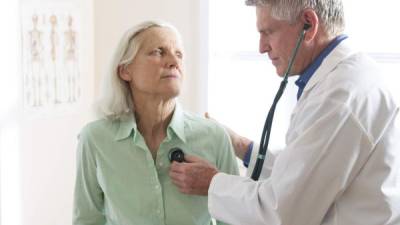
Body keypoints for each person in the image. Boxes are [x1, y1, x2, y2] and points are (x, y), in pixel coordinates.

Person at [169, 1, 400, 225]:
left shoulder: (340, 96)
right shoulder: (347, 78)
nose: (261, 47)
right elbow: (305, 166)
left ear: (308, 24)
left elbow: (282, 213)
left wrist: (211, 183)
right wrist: (241, 146)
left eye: (268, 32)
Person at [73, 20, 238, 225]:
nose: (173, 61)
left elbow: (234, 219)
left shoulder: (214, 137)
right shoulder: (95, 139)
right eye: (158, 52)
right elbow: (87, 219)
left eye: (179, 54)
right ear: (125, 70)